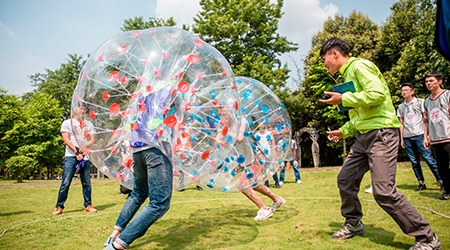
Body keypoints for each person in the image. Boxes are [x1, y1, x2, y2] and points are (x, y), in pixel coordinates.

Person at [319, 37, 441, 249]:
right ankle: (353, 223)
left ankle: (427, 238)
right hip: (363, 136)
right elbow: (362, 115)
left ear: (334, 54)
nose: (324, 64)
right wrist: (345, 131)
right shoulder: (348, 75)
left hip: (382, 134)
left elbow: (376, 95)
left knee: (384, 191)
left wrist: (344, 99)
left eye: (324, 60)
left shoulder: (359, 66)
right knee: (345, 179)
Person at [104, 86, 174, 250]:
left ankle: (114, 234)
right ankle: (118, 245)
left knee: (139, 192)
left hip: (138, 149)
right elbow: (175, 117)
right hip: (156, 148)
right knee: (159, 203)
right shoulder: (170, 89)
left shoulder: (143, 92)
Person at [219, 107, 285, 221]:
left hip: (256, 156)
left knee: (242, 185)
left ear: (231, 112)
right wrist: (218, 133)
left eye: (224, 114)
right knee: (253, 184)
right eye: (220, 115)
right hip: (248, 159)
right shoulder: (228, 127)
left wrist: (226, 132)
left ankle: (264, 209)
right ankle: (277, 199)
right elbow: (219, 141)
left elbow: (239, 138)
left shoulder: (241, 121)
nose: (222, 117)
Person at [52, 105, 97, 216]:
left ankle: (88, 205)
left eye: (84, 109)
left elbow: (93, 140)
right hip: (70, 156)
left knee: (86, 182)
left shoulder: (89, 124)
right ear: (75, 110)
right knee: (66, 182)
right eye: (80, 108)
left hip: (85, 156)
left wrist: (82, 149)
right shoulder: (67, 123)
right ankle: (59, 206)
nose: (83, 110)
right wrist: (76, 152)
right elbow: (66, 139)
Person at [397, 82, 442, 191]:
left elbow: (426, 119)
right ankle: (421, 182)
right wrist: (402, 138)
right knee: (414, 162)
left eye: (407, 90)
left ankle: (441, 181)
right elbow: (401, 123)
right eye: (403, 90)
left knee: (429, 159)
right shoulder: (401, 107)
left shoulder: (420, 102)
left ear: (412, 91)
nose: (404, 92)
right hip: (407, 136)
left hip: (420, 134)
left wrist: (427, 135)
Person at [423, 71, 450, 201]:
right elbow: (426, 120)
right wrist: (426, 136)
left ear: (439, 81)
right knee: (442, 167)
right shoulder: (427, 101)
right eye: (427, 81)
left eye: (431, 81)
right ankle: (447, 191)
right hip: (435, 139)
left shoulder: (448, 95)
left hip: (448, 136)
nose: (429, 83)